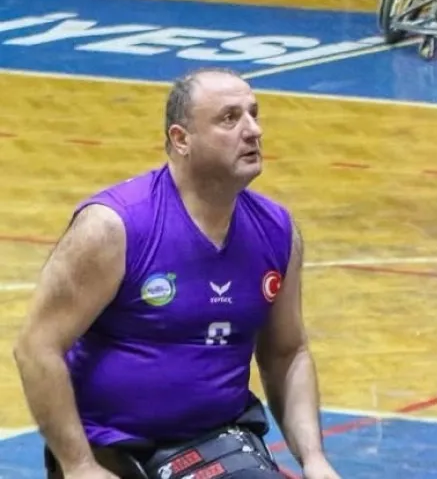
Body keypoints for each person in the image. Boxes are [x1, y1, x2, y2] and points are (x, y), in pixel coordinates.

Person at [12, 68, 339, 479]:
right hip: (114, 446)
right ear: (181, 139)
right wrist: (79, 466)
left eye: (254, 114)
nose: (253, 130)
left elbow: (286, 352)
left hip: (216, 437)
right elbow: (37, 347)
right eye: (229, 118)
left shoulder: (277, 230)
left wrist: (314, 458)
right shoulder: (113, 227)